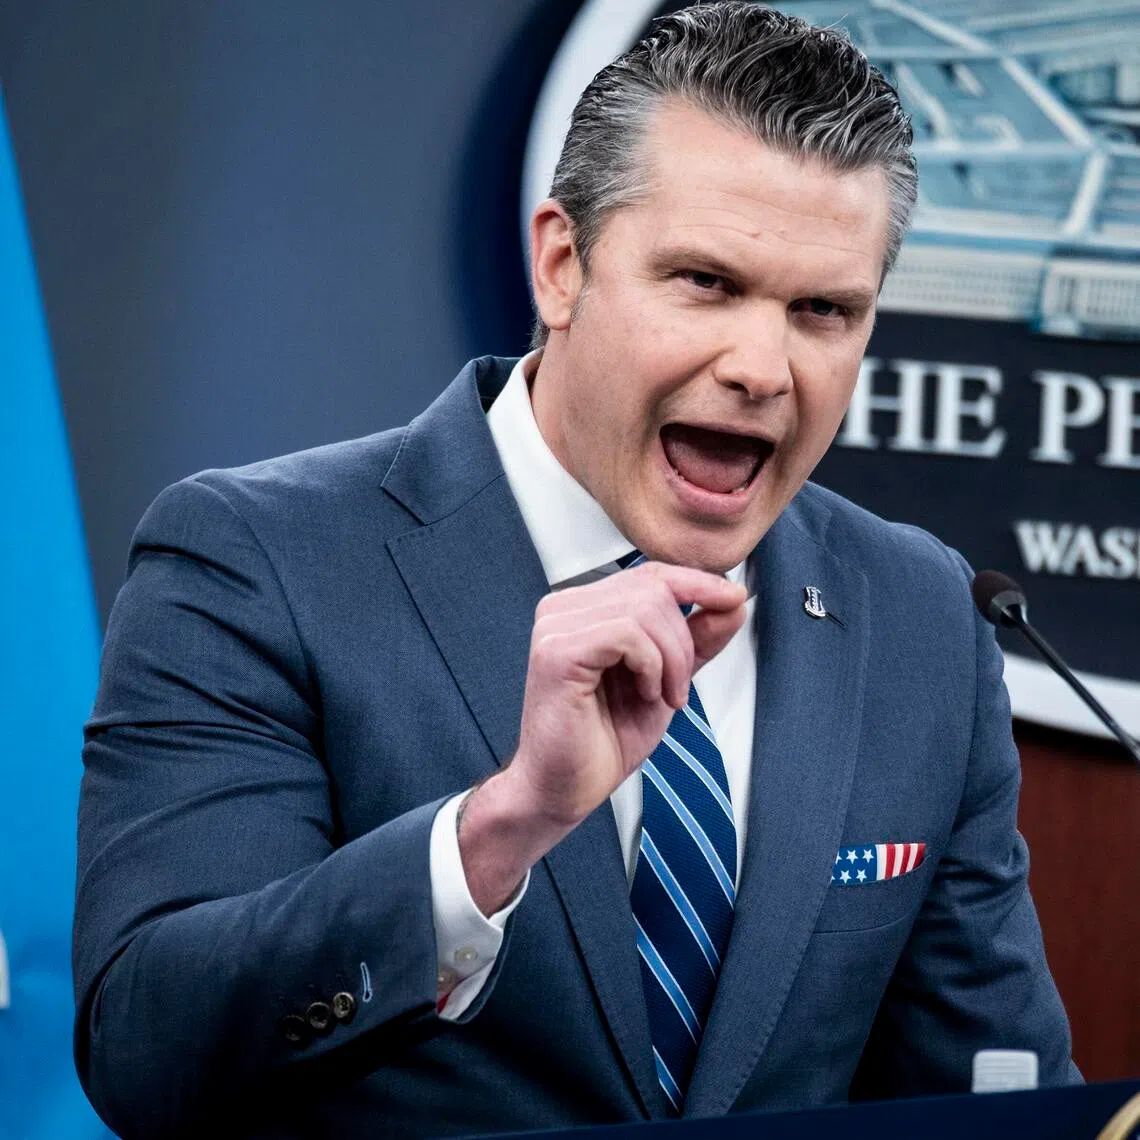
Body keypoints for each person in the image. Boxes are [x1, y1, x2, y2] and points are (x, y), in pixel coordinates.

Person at [73, 4, 1079, 1137]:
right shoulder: (259, 560)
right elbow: (147, 1048)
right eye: (704, 281)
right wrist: (502, 827)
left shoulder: (918, 615)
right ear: (563, 265)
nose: (762, 366)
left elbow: (995, 1085)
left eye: (822, 311)